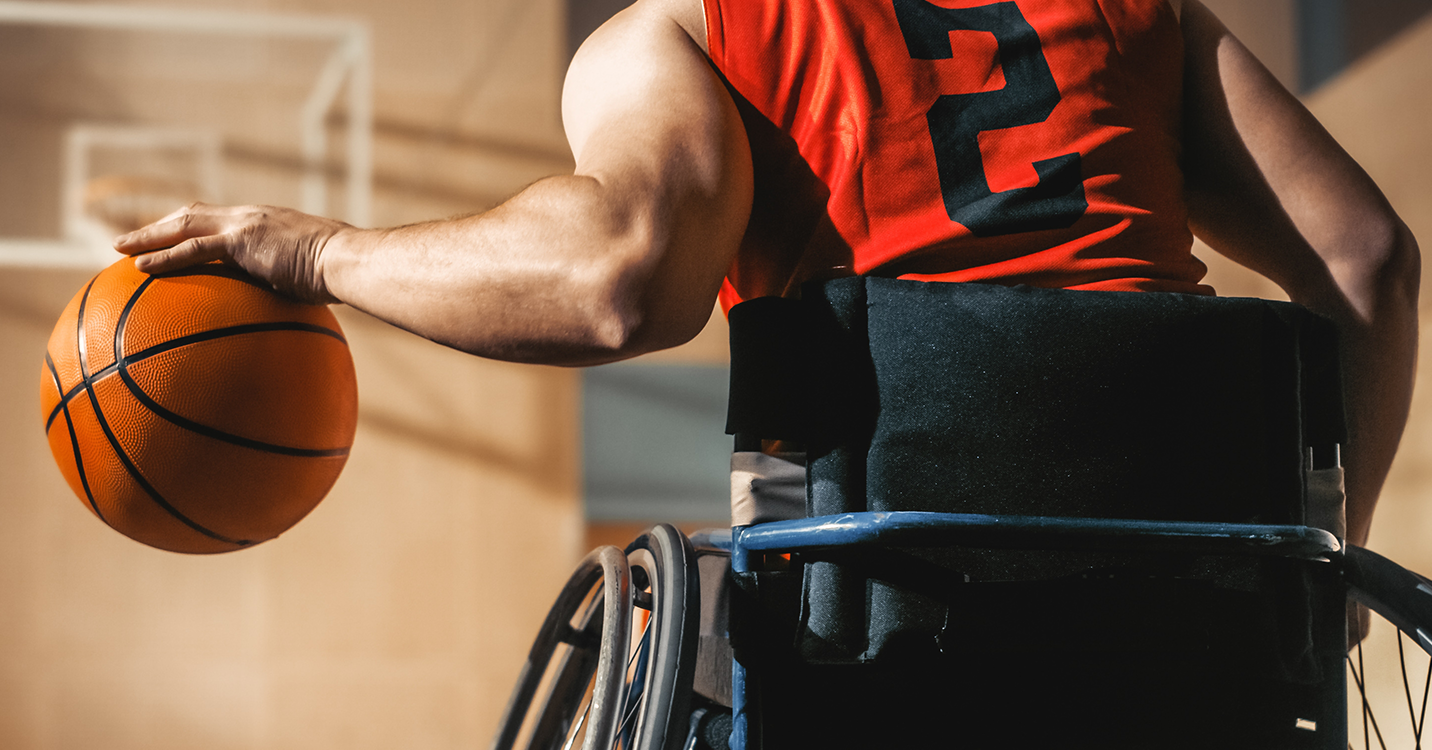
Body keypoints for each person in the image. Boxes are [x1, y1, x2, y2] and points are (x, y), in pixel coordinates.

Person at [112, 0, 1417, 552]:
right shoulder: (1140, 12)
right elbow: (1370, 258)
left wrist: (323, 253)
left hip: (883, 600)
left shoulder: (695, 29)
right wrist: (1318, 575)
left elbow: (622, 281)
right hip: (1195, 606)